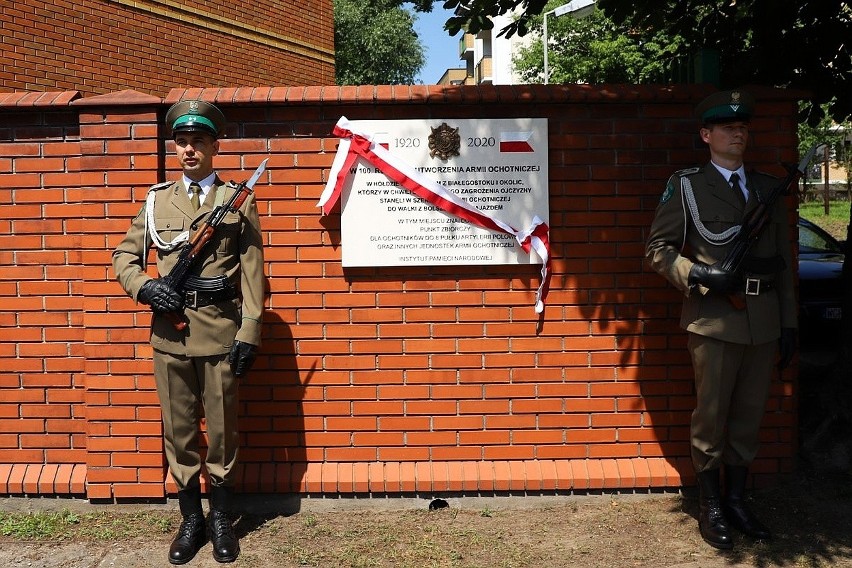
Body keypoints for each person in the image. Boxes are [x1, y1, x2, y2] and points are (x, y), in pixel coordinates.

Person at [112, 100, 264, 564]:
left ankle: (221, 519)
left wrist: (250, 330)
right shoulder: (157, 200)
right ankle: (191, 519)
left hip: (220, 333)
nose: (189, 150)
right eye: (181, 142)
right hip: (170, 336)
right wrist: (146, 289)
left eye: (198, 141)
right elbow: (123, 256)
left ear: (215, 146)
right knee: (178, 433)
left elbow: (254, 271)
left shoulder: (237, 200)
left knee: (221, 433)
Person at [646, 89, 797, 550]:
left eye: (743, 127)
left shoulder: (767, 187)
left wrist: (789, 324)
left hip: (764, 319)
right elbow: (658, 251)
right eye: (729, 128)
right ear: (706, 135)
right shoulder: (688, 185)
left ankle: (736, 500)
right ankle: (709, 506)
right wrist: (702, 274)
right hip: (714, 318)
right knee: (711, 418)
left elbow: (783, 263)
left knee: (749, 417)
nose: (739, 133)